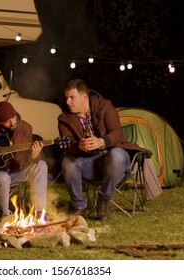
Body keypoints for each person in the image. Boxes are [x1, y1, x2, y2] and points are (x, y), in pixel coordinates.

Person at [57, 79, 151, 221]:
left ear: (84, 97)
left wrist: (101, 141)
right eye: (66, 98)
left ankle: (104, 199)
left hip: (113, 158)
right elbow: (66, 145)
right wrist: (78, 146)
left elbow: (116, 133)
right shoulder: (65, 119)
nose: (68, 102)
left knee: (116, 154)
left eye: (72, 97)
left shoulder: (105, 106)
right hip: (90, 163)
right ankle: (79, 206)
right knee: (67, 161)